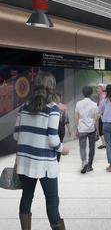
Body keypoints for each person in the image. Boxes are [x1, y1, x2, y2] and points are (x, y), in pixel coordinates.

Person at [13, 72, 69, 230]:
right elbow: (53, 139)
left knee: (26, 197)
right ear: (51, 87)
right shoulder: (53, 109)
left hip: (25, 162)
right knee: (52, 201)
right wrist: (63, 149)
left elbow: (17, 135)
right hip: (45, 165)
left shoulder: (23, 107)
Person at [75, 85, 98, 174]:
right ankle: (90, 165)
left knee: (82, 147)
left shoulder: (78, 103)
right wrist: (97, 131)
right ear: (91, 93)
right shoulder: (94, 104)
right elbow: (96, 118)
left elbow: (76, 117)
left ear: (83, 93)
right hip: (91, 128)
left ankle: (84, 162)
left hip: (81, 128)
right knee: (92, 147)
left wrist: (77, 128)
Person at [55, 94, 69, 162]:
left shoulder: (63, 107)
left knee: (59, 143)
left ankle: (57, 159)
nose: (56, 99)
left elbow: (66, 119)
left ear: (60, 98)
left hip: (61, 128)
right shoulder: (51, 106)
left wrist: (69, 130)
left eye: (57, 97)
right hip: (54, 127)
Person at [96, 83, 107, 149]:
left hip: (102, 116)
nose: (97, 89)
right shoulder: (101, 96)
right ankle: (104, 143)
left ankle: (104, 144)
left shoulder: (103, 96)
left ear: (102, 89)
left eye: (98, 88)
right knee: (101, 130)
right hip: (101, 115)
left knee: (101, 129)